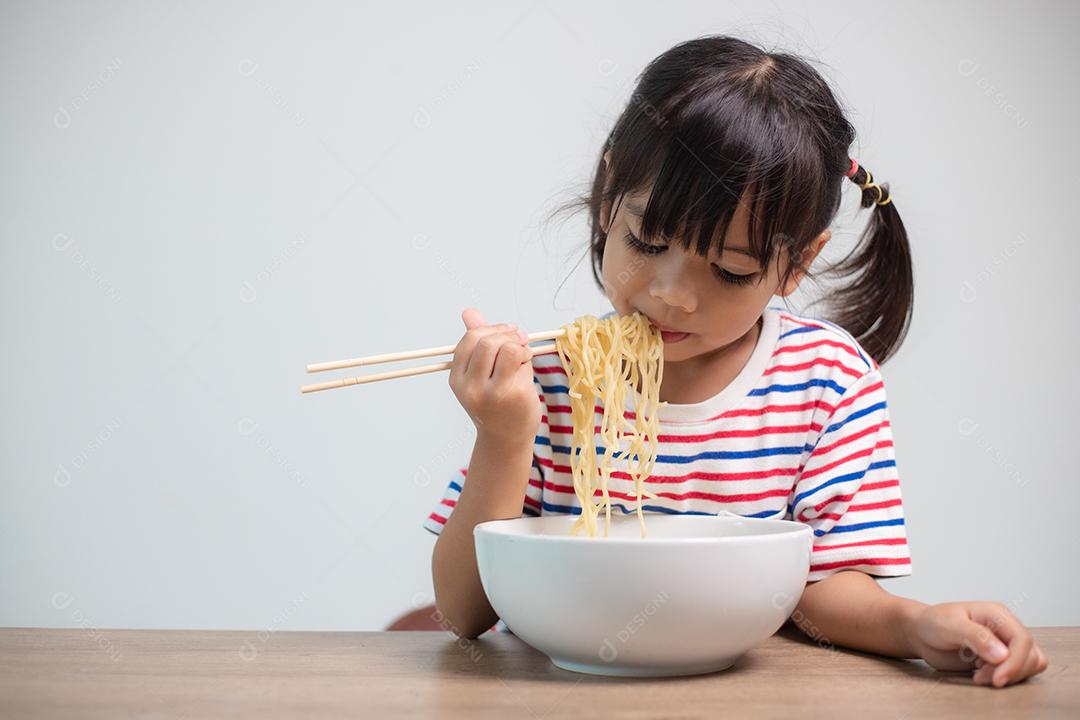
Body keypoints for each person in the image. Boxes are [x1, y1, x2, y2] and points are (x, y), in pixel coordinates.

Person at [424, 35, 1047, 688]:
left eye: (728, 270)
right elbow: (460, 612)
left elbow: (823, 589)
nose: (671, 294)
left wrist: (916, 626)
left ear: (796, 263)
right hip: (553, 692)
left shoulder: (826, 384)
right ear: (608, 194)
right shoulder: (546, 380)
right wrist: (503, 435)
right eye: (646, 240)